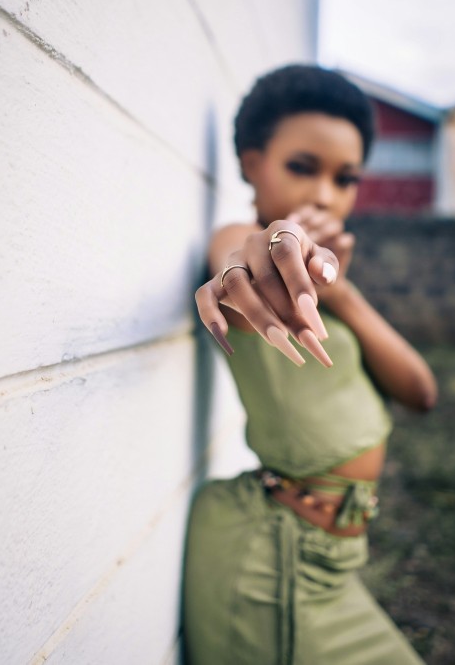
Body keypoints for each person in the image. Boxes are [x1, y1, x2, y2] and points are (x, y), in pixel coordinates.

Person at [183, 65, 437, 665]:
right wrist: (271, 245)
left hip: (332, 563)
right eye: (303, 167)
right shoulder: (245, 240)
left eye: (344, 178)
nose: (324, 194)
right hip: (272, 559)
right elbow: (239, 258)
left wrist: (342, 292)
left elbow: (422, 392)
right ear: (251, 163)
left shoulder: (326, 285)